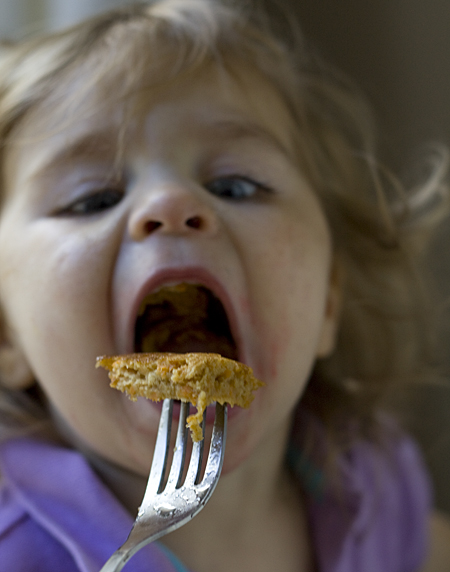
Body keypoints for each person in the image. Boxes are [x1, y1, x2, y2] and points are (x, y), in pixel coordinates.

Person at [0, 0, 449, 570]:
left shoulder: (365, 490)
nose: (170, 204)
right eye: (94, 199)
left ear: (329, 302)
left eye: (237, 185)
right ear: (5, 333)